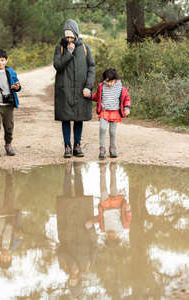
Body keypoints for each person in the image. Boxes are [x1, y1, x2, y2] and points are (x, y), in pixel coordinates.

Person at [53, 19, 95, 158]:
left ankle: (77, 145)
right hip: (64, 89)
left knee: (79, 117)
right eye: (67, 37)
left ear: (76, 35)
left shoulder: (85, 47)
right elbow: (58, 66)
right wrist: (68, 53)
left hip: (80, 89)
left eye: (72, 36)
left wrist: (88, 86)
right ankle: (67, 146)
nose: (69, 39)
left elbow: (91, 67)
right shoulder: (60, 48)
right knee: (66, 118)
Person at [56, 162, 98, 296]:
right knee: (81, 196)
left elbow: (60, 250)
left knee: (66, 196)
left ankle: (67, 172)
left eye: (70, 281)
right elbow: (95, 245)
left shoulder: (63, 267)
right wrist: (90, 228)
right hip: (83, 226)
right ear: (80, 280)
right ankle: (78, 171)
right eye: (75, 280)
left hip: (66, 227)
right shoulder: (87, 267)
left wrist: (71, 263)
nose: (72, 278)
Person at [86, 163, 132, 247]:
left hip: (105, 208)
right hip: (117, 206)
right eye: (113, 237)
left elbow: (99, 218)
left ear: (107, 238)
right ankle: (113, 170)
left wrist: (91, 222)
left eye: (109, 237)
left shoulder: (103, 229)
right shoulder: (124, 228)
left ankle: (102, 171)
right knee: (113, 188)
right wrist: (128, 210)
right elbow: (128, 218)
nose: (111, 236)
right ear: (117, 237)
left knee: (103, 192)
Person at [0, 168, 23, 269]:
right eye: (7, 259)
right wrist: (19, 233)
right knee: (10, 192)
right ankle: (9, 173)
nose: (5, 256)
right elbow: (20, 230)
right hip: (11, 215)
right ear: (11, 257)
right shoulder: (15, 244)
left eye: (3, 259)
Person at [91, 68, 131, 159]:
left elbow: (127, 99)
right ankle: (102, 149)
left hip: (115, 112)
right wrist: (90, 95)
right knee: (102, 128)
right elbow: (97, 97)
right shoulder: (101, 87)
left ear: (115, 80)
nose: (108, 84)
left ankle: (112, 148)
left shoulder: (121, 89)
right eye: (106, 81)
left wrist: (127, 107)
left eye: (110, 82)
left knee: (112, 132)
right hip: (104, 111)